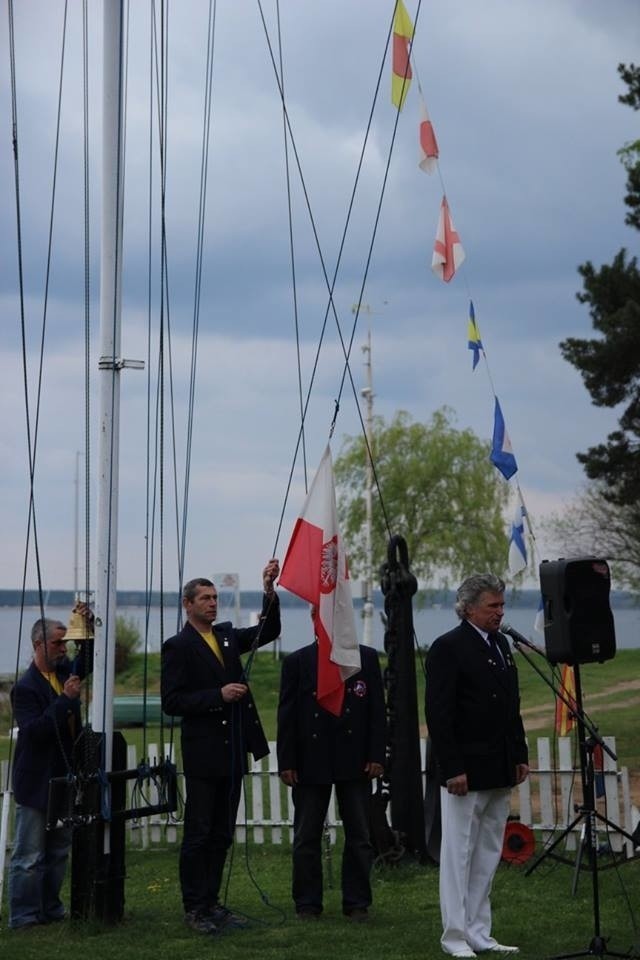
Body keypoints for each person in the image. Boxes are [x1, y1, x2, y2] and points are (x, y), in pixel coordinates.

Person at [161, 560, 280, 935]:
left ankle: (213, 902)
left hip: (232, 752)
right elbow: (172, 701)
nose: (213, 603)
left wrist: (268, 590)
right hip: (202, 754)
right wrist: (218, 695)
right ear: (188, 605)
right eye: (205, 598)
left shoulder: (227, 637)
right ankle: (194, 907)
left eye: (214, 597)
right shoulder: (178, 646)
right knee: (199, 833)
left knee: (222, 834)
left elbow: (268, 631)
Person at [425, 574, 529, 959]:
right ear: (468, 607)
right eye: (492, 606)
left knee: (487, 852)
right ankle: (454, 935)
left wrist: (519, 754)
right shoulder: (448, 648)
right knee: (459, 855)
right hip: (465, 771)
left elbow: (510, 706)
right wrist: (452, 767)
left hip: (499, 765)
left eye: (502, 606)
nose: (500, 613)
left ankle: (479, 932)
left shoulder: (501, 644)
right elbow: (439, 713)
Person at [277, 619, 385, 922]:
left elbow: (377, 709)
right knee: (306, 835)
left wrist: (377, 754)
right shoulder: (297, 662)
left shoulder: (365, 658)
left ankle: (357, 902)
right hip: (311, 758)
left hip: (355, 759)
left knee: (360, 835)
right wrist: (287, 761)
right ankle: (308, 904)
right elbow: (286, 716)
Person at [9, 604, 94, 930]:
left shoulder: (63, 672)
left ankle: (51, 908)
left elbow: (85, 662)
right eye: (58, 643)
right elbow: (34, 732)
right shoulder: (26, 688)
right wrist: (64, 700)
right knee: (29, 856)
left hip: (64, 777)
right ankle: (25, 915)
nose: (64, 648)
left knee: (58, 850)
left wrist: (86, 628)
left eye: (65, 642)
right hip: (36, 780)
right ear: (38, 645)